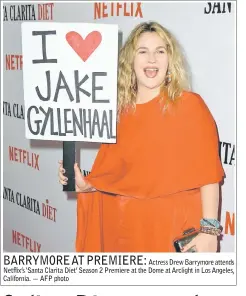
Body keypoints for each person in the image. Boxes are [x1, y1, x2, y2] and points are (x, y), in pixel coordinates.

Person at [58, 22, 224, 253]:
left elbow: (209, 177)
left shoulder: (190, 106)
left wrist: (209, 232)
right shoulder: (119, 113)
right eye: (142, 51)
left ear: (170, 59)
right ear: (130, 60)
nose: (152, 59)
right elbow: (118, 178)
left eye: (160, 51)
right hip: (126, 233)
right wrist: (88, 186)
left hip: (173, 230)